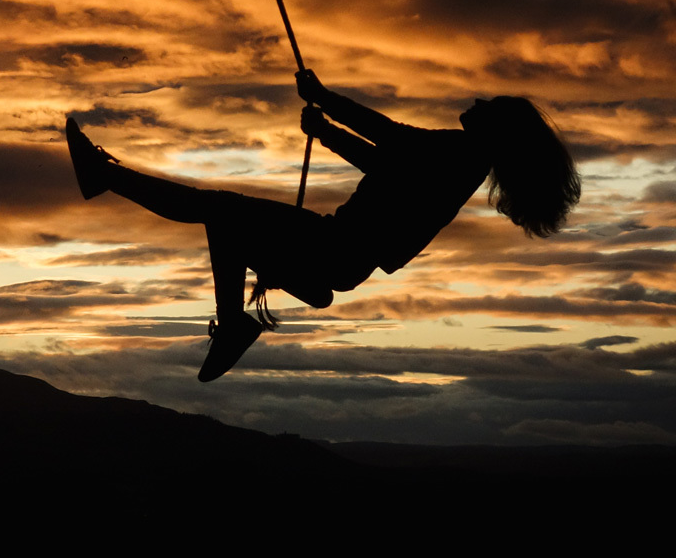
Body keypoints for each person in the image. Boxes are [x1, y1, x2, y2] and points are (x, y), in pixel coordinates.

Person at [65, 69, 580, 382]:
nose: (476, 104)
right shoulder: (461, 161)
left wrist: (325, 106)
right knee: (225, 220)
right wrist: (326, 122)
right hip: (339, 249)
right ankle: (280, 289)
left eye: (487, 107)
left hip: (334, 247)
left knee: (219, 210)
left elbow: (390, 142)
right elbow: (389, 158)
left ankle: (106, 177)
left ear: (498, 131)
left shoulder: (460, 153)